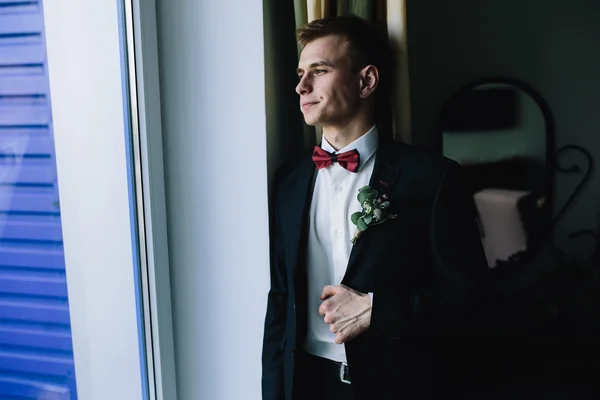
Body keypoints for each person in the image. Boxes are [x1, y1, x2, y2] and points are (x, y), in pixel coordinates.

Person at [262, 15, 487, 400]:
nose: (301, 86)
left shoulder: (432, 178)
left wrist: (375, 310)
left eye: (319, 70)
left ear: (366, 81)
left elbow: (471, 296)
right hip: (305, 384)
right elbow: (280, 300)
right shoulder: (288, 181)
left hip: (398, 384)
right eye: (301, 73)